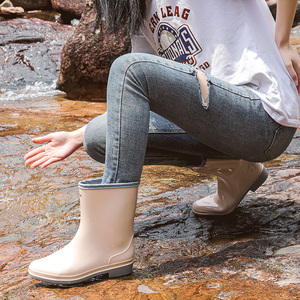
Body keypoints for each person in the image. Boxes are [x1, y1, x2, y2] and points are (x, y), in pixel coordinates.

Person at [24, 0, 300, 285]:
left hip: (262, 116)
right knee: (99, 137)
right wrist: (76, 136)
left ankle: (108, 244)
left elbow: (134, 71)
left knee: (130, 68)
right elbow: (134, 97)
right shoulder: (139, 7)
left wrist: (283, 40)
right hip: (217, 122)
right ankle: (237, 169)